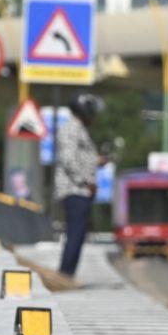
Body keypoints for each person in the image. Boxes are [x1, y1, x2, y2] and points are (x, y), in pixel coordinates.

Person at [55, 93, 103, 278]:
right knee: (75, 234)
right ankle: (65, 276)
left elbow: (78, 157)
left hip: (79, 189)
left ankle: (68, 275)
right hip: (75, 189)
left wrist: (96, 160)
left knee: (78, 234)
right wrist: (87, 181)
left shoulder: (78, 129)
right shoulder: (71, 129)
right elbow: (68, 160)